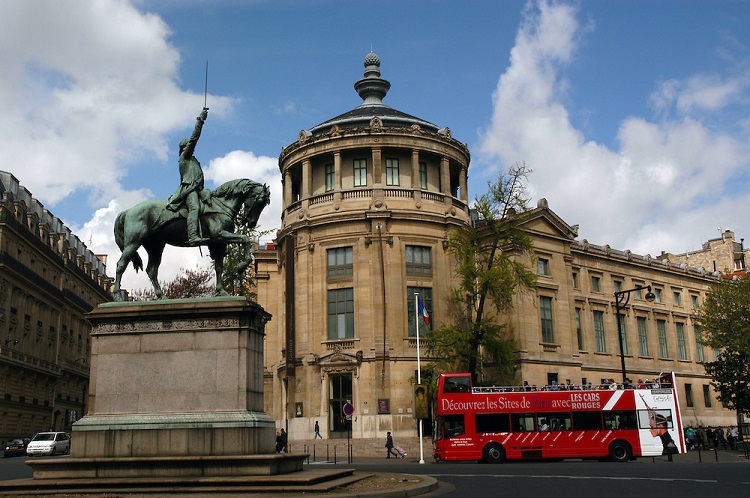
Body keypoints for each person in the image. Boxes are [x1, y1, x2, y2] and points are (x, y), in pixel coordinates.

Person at [167, 107, 211, 246]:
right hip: (189, 190)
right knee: (195, 208)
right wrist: (200, 120)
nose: (190, 148)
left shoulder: (193, 160)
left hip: (198, 190)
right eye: (187, 146)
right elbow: (194, 138)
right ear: (184, 148)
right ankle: (193, 236)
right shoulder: (184, 158)